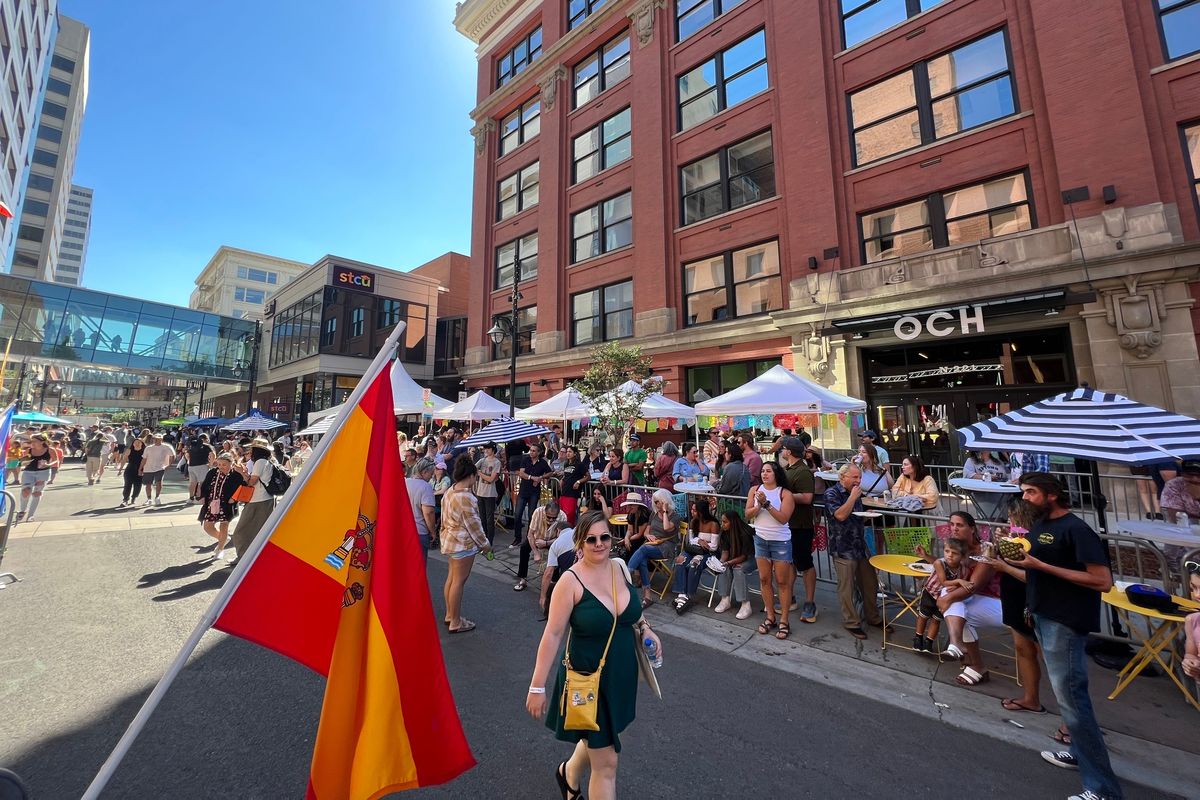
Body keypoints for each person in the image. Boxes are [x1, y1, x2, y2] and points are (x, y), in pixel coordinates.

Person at [526, 509, 660, 800]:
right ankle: (572, 775)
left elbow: (631, 613)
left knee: (604, 736)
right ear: (579, 543)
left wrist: (646, 629)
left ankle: (568, 773)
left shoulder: (620, 568)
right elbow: (551, 635)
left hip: (621, 676)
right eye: (591, 539)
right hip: (588, 679)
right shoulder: (570, 582)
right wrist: (537, 686)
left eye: (604, 537)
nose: (599, 544)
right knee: (608, 763)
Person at [1017, 472, 1122, 800]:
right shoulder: (1041, 526)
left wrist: (1042, 567)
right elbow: (1034, 567)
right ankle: (1079, 752)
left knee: (1073, 701)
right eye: (1024, 492)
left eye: (1031, 492)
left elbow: (1102, 581)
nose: (1025, 498)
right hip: (1044, 615)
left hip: (1066, 621)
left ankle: (1102, 789)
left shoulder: (1077, 529)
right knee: (1068, 697)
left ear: (1052, 494)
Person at [982, 508, 1047, 715]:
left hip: (1037, 600)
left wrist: (1005, 567)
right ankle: (1031, 698)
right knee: (1022, 648)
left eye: (1012, 516)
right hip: (1013, 596)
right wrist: (998, 546)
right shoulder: (1012, 537)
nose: (1009, 520)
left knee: (1049, 656)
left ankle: (1071, 721)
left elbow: (1039, 578)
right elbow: (998, 562)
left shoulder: (1041, 541)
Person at [826, 464, 886, 639]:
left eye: (859, 477)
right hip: (843, 547)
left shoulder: (856, 492)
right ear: (842, 477)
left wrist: (867, 515)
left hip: (860, 545)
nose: (858, 481)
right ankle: (851, 622)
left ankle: (872, 617)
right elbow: (840, 515)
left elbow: (855, 515)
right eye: (854, 477)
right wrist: (852, 498)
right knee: (847, 587)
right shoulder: (833, 494)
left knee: (870, 583)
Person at [439, 458, 493, 633]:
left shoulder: (450, 490)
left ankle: (450, 615)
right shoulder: (466, 497)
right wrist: (486, 545)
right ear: (470, 476)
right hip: (462, 543)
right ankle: (455, 621)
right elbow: (474, 525)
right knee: (458, 582)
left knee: (452, 579)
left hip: (450, 540)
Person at [746, 461, 796, 639]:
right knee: (764, 579)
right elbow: (748, 514)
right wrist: (758, 506)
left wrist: (767, 505)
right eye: (763, 471)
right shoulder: (755, 490)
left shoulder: (785, 494)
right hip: (760, 539)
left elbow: (783, 519)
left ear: (776, 474)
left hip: (780, 541)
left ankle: (784, 619)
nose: (764, 474)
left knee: (782, 582)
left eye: (768, 471)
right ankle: (770, 616)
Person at [779, 437, 817, 624]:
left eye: (784, 448)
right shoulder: (788, 470)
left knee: (805, 564)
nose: (782, 452)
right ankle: (790, 598)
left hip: (800, 525)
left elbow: (807, 497)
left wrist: (784, 496)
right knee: (790, 563)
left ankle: (810, 602)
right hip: (788, 523)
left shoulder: (802, 471)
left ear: (790, 452)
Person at [625, 489, 679, 607]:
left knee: (643, 550)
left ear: (665, 501)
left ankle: (626, 574)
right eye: (655, 502)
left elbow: (666, 528)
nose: (656, 504)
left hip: (666, 547)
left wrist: (664, 512)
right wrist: (648, 535)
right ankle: (647, 596)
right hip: (652, 545)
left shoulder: (674, 516)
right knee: (642, 559)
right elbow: (646, 532)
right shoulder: (653, 514)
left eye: (658, 502)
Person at [913, 538, 967, 653]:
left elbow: (962, 582)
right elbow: (943, 581)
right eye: (947, 551)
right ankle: (918, 637)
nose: (950, 555)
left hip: (944, 598)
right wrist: (958, 582)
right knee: (923, 615)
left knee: (936, 620)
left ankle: (929, 642)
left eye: (955, 553)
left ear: (962, 556)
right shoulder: (940, 563)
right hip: (930, 592)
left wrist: (957, 585)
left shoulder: (962, 568)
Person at [228, 440, 277, 565]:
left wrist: (242, 472)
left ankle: (243, 557)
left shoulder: (260, 462)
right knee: (259, 531)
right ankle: (256, 557)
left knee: (241, 530)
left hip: (258, 500)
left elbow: (251, 482)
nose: (249, 452)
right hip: (266, 499)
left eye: (251, 450)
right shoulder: (268, 461)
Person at [670, 500, 720, 614]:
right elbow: (691, 540)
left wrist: (701, 544)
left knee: (694, 564)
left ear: (701, 512)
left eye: (694, 510)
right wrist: (700, 541)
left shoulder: (713, 524)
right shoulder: (694, 521)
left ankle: (688, 594)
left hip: (707, 553)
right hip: (693, 549)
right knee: (680, 561)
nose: (692, 512)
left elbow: (714, 546)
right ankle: (682, 594)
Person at [514, 499, 568, 592]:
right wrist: (536, 553)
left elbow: (561, 539)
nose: (551, 520)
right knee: (524, 548)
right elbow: (530, 534)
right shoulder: (538, 512)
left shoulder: (562, 516)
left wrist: (547, 543)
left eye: (554, 518)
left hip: (553, 540)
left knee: (556, 554)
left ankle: (553, 582)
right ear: (545, 512)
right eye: (548, 517)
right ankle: (523, 579)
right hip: (537, 538)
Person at [198, 455, 246, 557]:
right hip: (212, 503)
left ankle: (220, 549)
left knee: (224, 525)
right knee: (207, 527)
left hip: (227, 505)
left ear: (231, 463)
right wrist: (202, 496)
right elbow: (205, 485)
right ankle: (223, 539)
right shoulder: (212, 472)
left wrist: (234, 498)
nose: (221, 466)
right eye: (219, 464)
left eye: (224, 464)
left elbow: (242, 488)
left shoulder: (236, 475)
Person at [712, 510, 756, 619]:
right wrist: (722, 562)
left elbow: (745, 556)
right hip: (735, 558)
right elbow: (725, 552)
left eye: (725, 522)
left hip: (752, 558)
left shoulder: (745, 532)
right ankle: (725, 599)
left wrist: (728, 562)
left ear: (733, 522)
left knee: (738, 569)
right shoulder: (725, 532)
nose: (722, 524)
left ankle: (745, 604)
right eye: (722, 522)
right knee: (723, 568)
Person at [513, 443, 552, 549]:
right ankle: (517, 538)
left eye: (534, 451)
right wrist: (532, 478)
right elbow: (521, 473)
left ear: (539, 452)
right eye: (530, 450)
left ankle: (528, 538)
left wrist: (540, 477)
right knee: (517, 515)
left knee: (531, 516)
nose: (531, 452)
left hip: (534, 492)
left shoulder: (543, 462)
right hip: (523, 491)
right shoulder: (525, 460)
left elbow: (550, 473)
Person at [16, 434, 53, 523]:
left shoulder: (50, 450)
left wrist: (48, 464)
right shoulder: (29, 450)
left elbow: (56, 460)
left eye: (34, 441)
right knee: (25, 491)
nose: (32, 443)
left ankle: (31, 515)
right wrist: (23, 462)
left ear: (42, 442)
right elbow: (21, 461)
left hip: (43, 473)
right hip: (29, 472)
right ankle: (22, 510)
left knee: (37, 493)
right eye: (31, 441)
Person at [407, 457, 437, 559]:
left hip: (403, 529)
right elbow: (428, 512)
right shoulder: (426, 487)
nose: (431, 477)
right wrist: (433, 531)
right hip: (419, 531)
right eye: (431, 474)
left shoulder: (404, 482)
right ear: (424, 472)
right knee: (419, 568)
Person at [473, 442, 502, 544]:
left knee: (490, 520)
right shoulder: (483, 460)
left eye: (488, 448)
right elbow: (473, 468)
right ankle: (483, 540)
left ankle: (490, 542)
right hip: (480, 492)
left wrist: (479, 473)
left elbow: (491, 479)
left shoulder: (497, 462)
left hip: (490, 494)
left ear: (493, 449)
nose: (486, 450)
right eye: (485, 448)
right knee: (482, 518)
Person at [140, 433, 177, 507]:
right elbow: (144, 459)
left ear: (161, 440)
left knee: (159, 482)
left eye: (158, 439)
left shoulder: (166, 447)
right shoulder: (148, 448)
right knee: (148, 484)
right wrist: (140, 468)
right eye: (154, 439)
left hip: (160, 467)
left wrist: (168, 465)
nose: (156, 440)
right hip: (148, 468)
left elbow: (172, 455)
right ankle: (149, 499)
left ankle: (157, 497)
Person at [559, 445, 588, 525]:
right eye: (567, 452)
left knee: (570, 515)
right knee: (562, 515)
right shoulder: (566, 464)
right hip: (564, 492)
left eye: (570, 452)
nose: (568, 453)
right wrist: (562, 479)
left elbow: (588, 476)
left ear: (575, 453)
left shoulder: (579, 465)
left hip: (573, 494)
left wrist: (578, 482)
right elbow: (567, 475)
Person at [1183, 561, 1200, 690]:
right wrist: (1190, 663)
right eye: (1193, 588)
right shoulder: (1192, 620)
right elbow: (1191, 654)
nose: (1197, 595)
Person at [186, 434, 215, 503]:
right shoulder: (207, 446)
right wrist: (211, 464)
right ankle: (199, 498)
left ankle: (191, 498)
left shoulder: (193, 445)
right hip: (202, 465)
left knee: (192, 483)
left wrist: (189, 461)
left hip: (191, 466)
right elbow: (213, 454)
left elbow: (186, 454)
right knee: (202, 483)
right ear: (206, 439)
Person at [120, 438, 146, 507]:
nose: (137, 444)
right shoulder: (129, 450)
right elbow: (124, 460)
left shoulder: (144, 451)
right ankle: (125, 499)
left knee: (138, 485)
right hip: (130, 469)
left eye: (139, 442)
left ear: (142, 444)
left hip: (140, 470)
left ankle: (134, 498)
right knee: (127, 484)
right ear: (133, 444)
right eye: (135, 442)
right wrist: (120, 469)